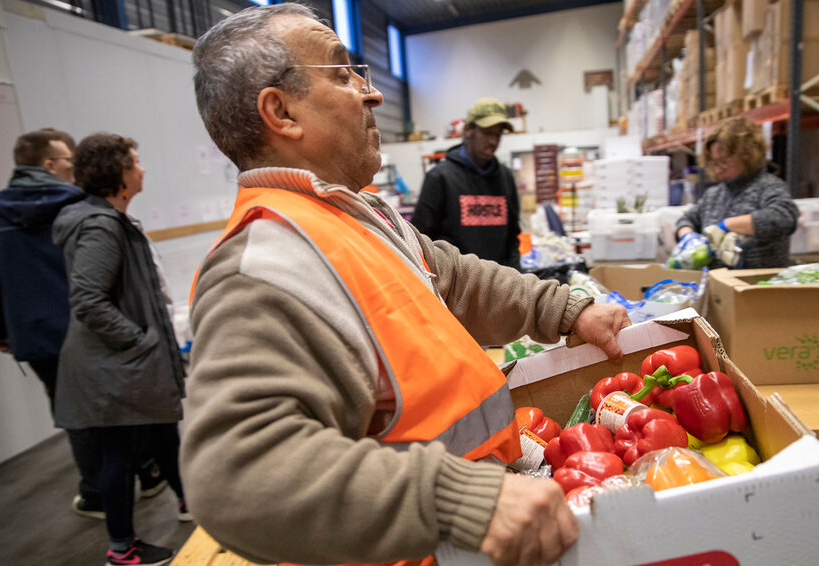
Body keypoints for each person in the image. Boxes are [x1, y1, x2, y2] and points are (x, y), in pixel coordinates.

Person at [180, 5, 630, 566]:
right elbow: (237, 475)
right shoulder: (265, 264)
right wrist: (458, 500)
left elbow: (456, 278)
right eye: (342, 74)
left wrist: (563, 309)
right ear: (281, 111)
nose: (372, 95)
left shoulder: (358, 215)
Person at [52, 133, 188, 566]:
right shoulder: (99, 225)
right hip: (114, 366)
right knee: (117, 457)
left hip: (123, 364)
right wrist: (139, 341)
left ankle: (185, 503)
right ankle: (122, 549)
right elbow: (88, 301)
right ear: (119, 174)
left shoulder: (109, 219)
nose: (142, 168)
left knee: (158, 435)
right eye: (135, 161)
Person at [0, 128, 110, 516]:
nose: (73, 168)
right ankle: (144, 476)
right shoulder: (83, 207)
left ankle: (97, 493)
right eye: (68, 160)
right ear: (49, 165)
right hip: (92, 329)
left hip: (36, 338)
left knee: (72, 413)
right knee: (115, 403)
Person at [411, 97, 521, 269]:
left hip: (499, 287)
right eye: (487, 133)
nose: (494, 141)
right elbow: (420, 238)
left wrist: (516, 279)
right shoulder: (440, 177)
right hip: (456, 289)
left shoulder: (505, 178)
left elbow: (513, 236)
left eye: (498, 134)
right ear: (469, 129)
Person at [675, 117, 798, 268]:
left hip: (756, 286)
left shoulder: (769, 187)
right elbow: (686, 220)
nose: (718, 168)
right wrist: (688, 237)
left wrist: (727, 225)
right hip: (718, 286)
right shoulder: (714, 194)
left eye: (724, 161)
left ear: (747, 155)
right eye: (714, 163)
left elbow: (784, 217)